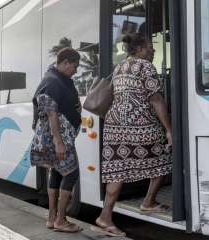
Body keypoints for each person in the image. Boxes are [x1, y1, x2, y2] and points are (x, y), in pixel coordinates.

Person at [94, 33, 172, 237]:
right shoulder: (145, 67)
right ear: (138, 49)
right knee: (163, 160)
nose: (153, 50)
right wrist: (169, 129)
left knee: (117, 170)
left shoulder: (119, 67)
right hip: (140, 126)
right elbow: (155, 99)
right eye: (149, 47)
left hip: (114, 126)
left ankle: (105, 215)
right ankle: (147, 202)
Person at [30, 47, 82, 233]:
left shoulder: (58, 79)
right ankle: (61, 219)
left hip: (58, 137)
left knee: (58, 173)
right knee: (71, 174)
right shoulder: (52, 82)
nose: (75, 70)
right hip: (58, 139)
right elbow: (51, 114)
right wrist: (59, 141)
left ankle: (52, 217)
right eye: (74, 66)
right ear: (65, 62)